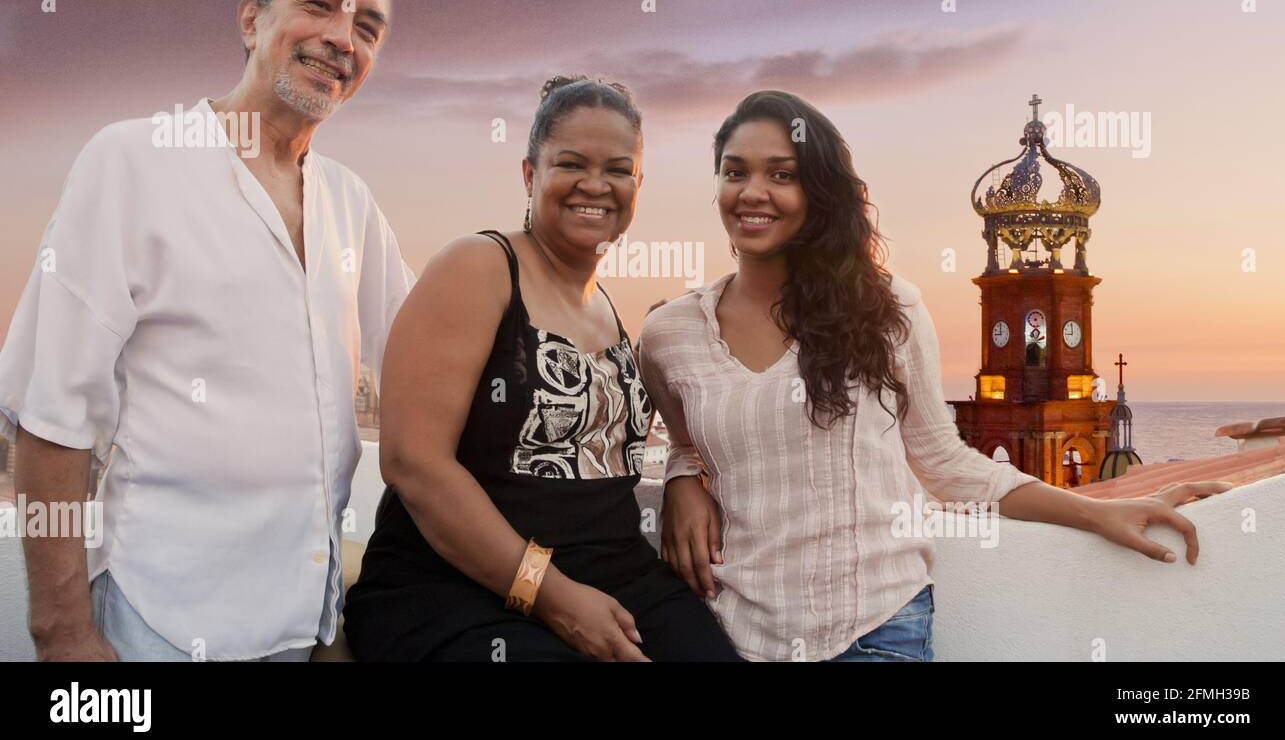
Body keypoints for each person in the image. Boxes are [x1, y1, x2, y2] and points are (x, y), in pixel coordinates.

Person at [638, 90, 1231, 662]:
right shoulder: (671, 335)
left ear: (819, 191)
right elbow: (686, 440)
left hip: (875, 631)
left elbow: (943, 461)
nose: (753, 192)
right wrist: (681, 478)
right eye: (734, 171)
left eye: (782, 174)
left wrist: (1099, 511)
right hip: (727, 633)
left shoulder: (885, 310)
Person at [0, 0, 415, 661]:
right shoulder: (132, 161)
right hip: (150, 621)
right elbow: (49, 419)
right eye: (318, 7)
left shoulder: (351, 203)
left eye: (367, 28)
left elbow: (429, 361)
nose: (341, 39)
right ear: (251, 21)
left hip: (303, 628)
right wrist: (62, 633)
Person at [342, 77, 742, 661]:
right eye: (571, 163)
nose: (595, 185)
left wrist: (685, 475)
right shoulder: (479, 266)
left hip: (615, 574)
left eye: (618, 169)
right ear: (529, 175)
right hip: (456, 586)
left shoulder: (606, 305)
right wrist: (551, 596)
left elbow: (675, 431)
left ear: (638, 183)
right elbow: (413, 461)